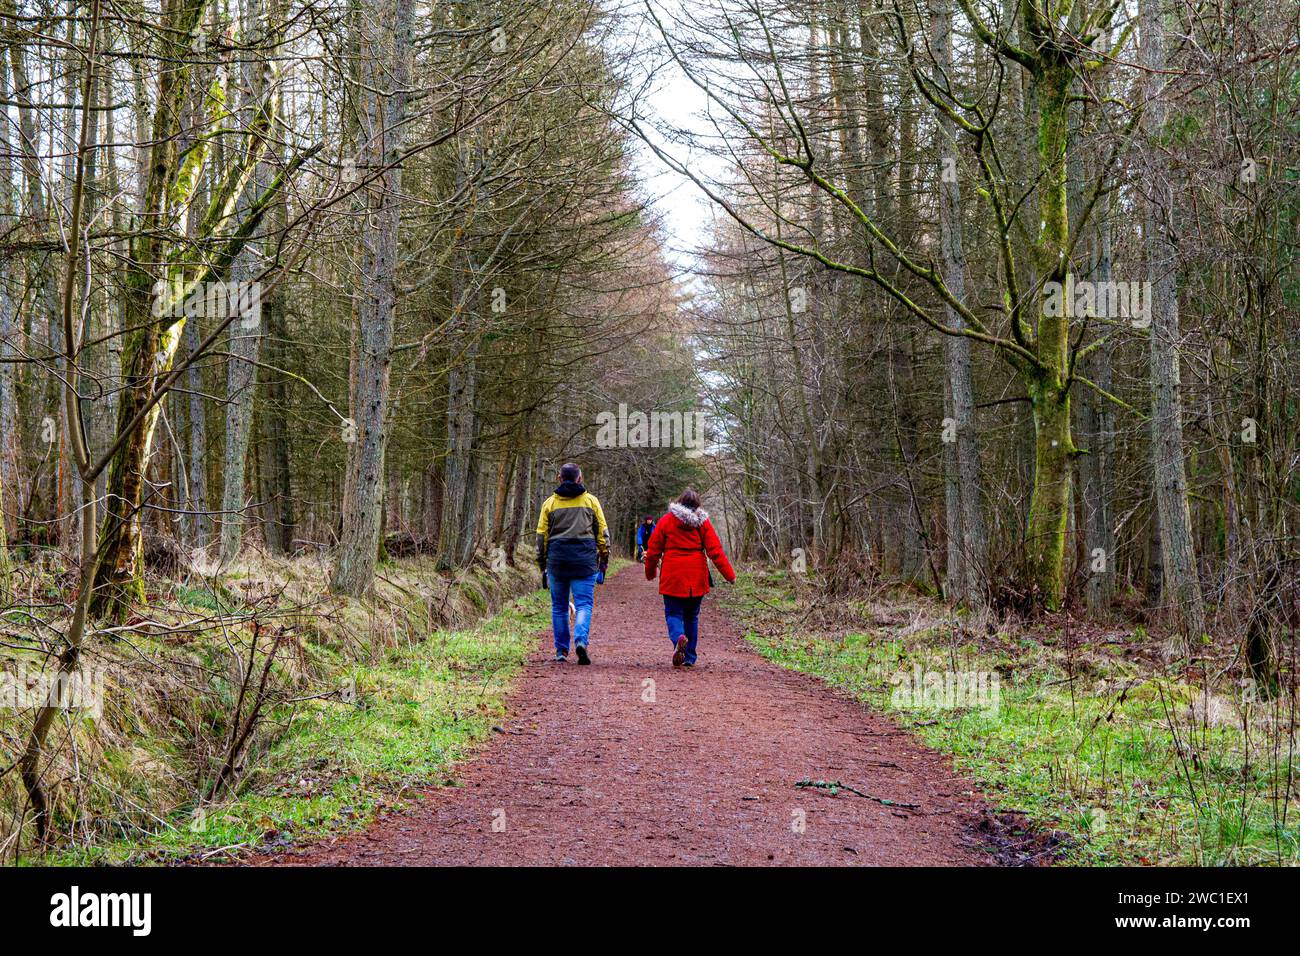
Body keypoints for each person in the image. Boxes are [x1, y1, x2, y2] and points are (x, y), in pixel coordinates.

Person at [642, 488, 736, 667]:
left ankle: (679, 638)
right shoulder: (703, 523)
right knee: (692, 616)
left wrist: (650, 572)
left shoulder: (666, 521)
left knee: (673, 613)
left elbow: (653, 550)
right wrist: (729, 576)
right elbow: (715, 551)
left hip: (673, 574)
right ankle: (690, 657)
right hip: (696, 575)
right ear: (697, 505)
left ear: (679, 502)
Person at [536, 463, 609, 664]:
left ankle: (561, 651)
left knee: (559, 606)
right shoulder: (591, 502)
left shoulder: (549, 504)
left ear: (559, 478)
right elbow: (602, 533)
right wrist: (604, 558)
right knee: (584, 604)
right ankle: (580, 640)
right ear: (580, 478)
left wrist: (542, 563)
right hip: (584, 561)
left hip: (557, 561)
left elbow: (541, 536)